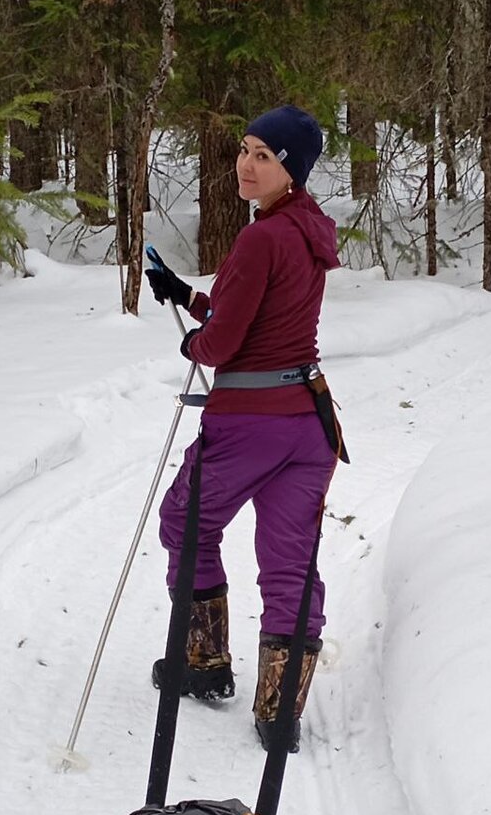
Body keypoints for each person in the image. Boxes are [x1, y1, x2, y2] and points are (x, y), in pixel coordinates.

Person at [145, 105, 345, 753]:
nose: (247, 164)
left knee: (185, 521)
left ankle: (202, 664)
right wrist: (189, 296)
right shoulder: (305, 228)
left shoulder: (260, 237)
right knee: (289, 563)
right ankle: (279, 708)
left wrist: (196, 344)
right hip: (309, 422)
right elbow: (259, 315)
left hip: (251, 422)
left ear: (291, 168)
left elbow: (225, 344)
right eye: (245, 149)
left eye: (266, 155)